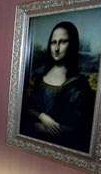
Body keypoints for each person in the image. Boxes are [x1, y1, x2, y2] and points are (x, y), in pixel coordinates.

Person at [20, 21, 95, 153]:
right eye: (53, 42)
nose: (56, 48)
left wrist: (42, 128)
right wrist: (42, 116)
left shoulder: (79, 85)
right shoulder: (39, 77)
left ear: (72, 44)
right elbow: (28, 106)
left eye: (63, 42)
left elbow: (80, 126)